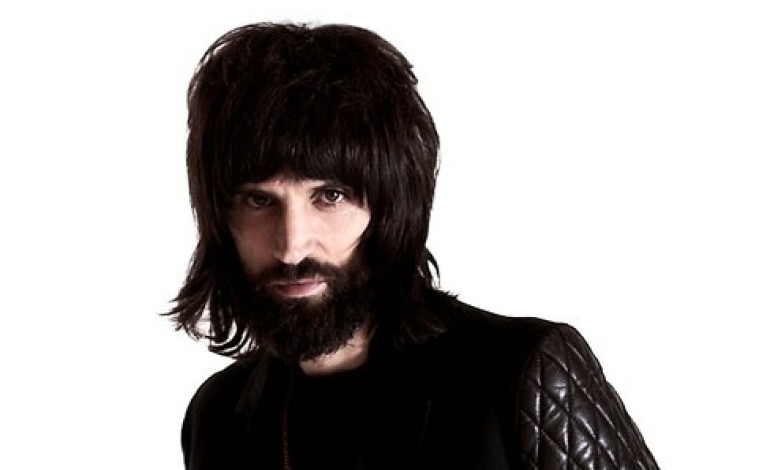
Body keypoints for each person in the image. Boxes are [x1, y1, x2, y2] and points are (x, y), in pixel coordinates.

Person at [168, 22, 659, 470]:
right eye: (259, 201)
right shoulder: (219, 416)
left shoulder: (519, 373)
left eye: (330, 196)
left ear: (391, 207)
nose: (292, 246)